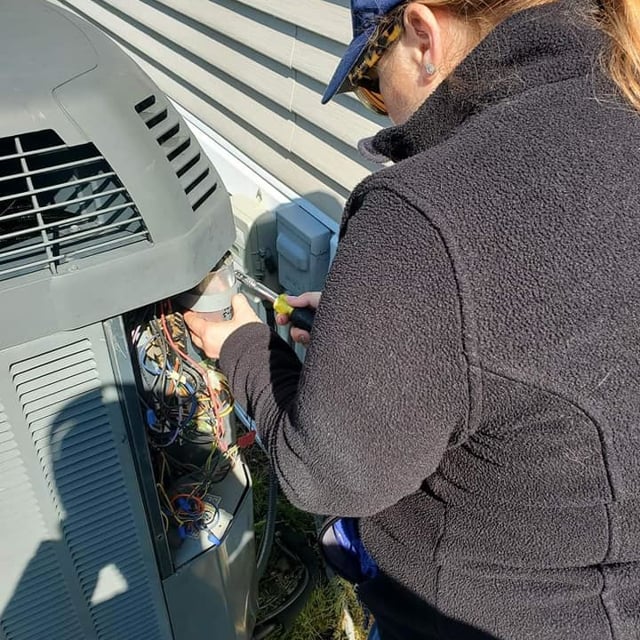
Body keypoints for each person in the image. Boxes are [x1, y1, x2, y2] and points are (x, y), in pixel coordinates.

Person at [185, 0, 640, 637]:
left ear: (423, 36)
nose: (379, 108)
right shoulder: (622, 101)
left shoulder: (430, 214)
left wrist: (243, 345)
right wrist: (380, 337)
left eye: (372, 85)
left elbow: (326, 470)